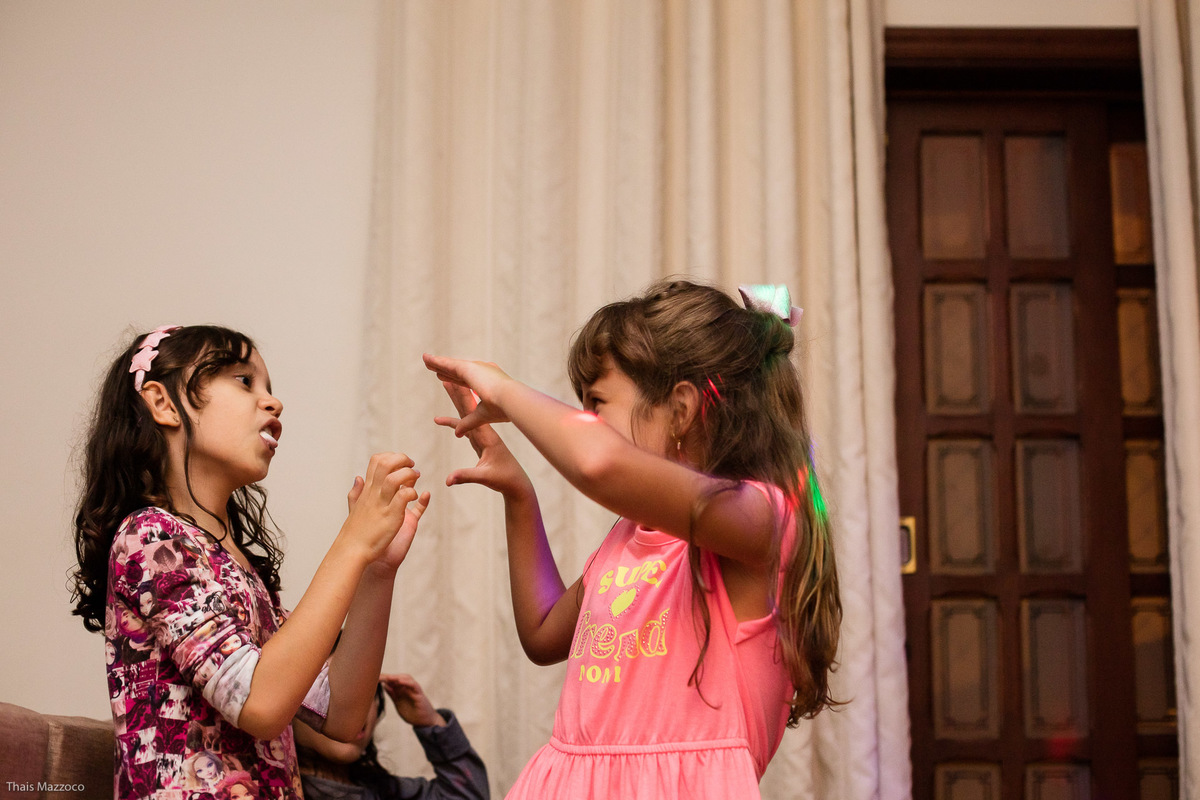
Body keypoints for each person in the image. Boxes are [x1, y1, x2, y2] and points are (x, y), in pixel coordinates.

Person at [424, 279, 842, 798]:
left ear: (682, 411)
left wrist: (506, 389)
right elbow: (541, 633)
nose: (584, 424)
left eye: (595, 405)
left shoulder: (761, 518)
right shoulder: (629, 536)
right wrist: (519, 495)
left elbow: (597, 462)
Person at [70, 324, 430, 800]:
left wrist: (376, 571)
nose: (272, 402)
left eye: (270, 389)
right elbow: (259, 702)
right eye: (243, 380)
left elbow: (340, 713)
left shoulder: (233, 563)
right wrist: (352, 542)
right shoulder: (149, 537)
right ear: (162, 403)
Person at [294, 673, 490, 800]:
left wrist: (431, 723)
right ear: (289, 709)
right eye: (330, 690)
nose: (354, 708)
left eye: (366, 692)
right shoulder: (276, 789)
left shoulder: (385, 792)